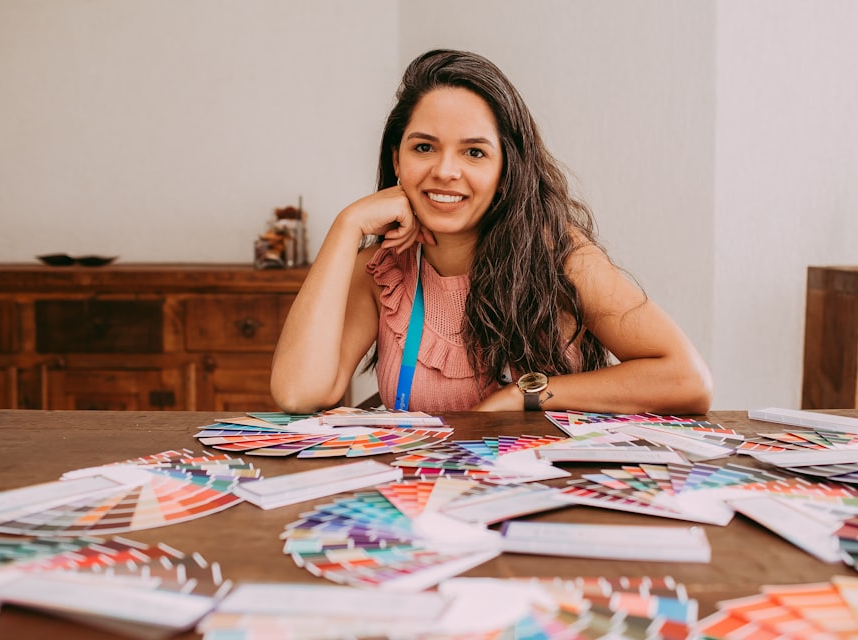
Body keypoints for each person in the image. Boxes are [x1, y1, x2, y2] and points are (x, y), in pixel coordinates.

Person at [270, 49, 712, 415]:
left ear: (505, 169)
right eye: (424, 147)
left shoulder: (558, 254)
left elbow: (686, 379)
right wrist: (346, 225)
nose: (445, 171)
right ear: (398, 159)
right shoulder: (382, 270)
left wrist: (524, 395)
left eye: (474, 152)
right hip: (425, 505)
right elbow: (298, 393)